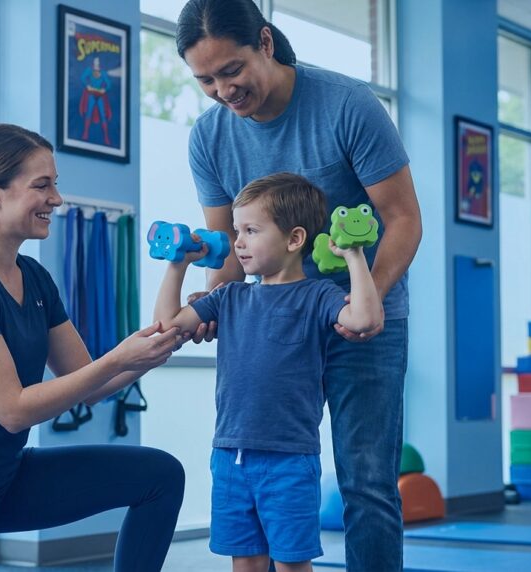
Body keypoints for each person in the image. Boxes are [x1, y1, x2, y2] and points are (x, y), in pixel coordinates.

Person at [176, 1, 423, 570]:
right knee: (266, 464)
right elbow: (228, 245)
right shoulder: (210, 136)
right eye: (205, 79)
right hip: (275, 323)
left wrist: (365, 304)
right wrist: (215, 305)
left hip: (363, 315)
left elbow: (404, 218)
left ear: (265, 42)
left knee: (367, 480)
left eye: (231, 70)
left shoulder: (348, 105)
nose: (222, 90)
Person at [0, 123, 185, 572]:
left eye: (55, 185)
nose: (56, 200)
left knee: (160, 476)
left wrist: (155, 349)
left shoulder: (35, 278)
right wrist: (119, 357)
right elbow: (13, 409)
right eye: (42, 186)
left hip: (2, 477)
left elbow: (88, 382)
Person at [153, 173, 384, 572]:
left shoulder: (318, 295)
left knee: (292, 563)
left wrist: (353, 255)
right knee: (245, 562)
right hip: (229, 454)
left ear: (294, 239)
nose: (237, 241)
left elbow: (364, 318)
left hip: (289, 460)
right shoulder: (229, 296)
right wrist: (178, 266)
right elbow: (167, 326)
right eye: (236, 230)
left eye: (251, 230)